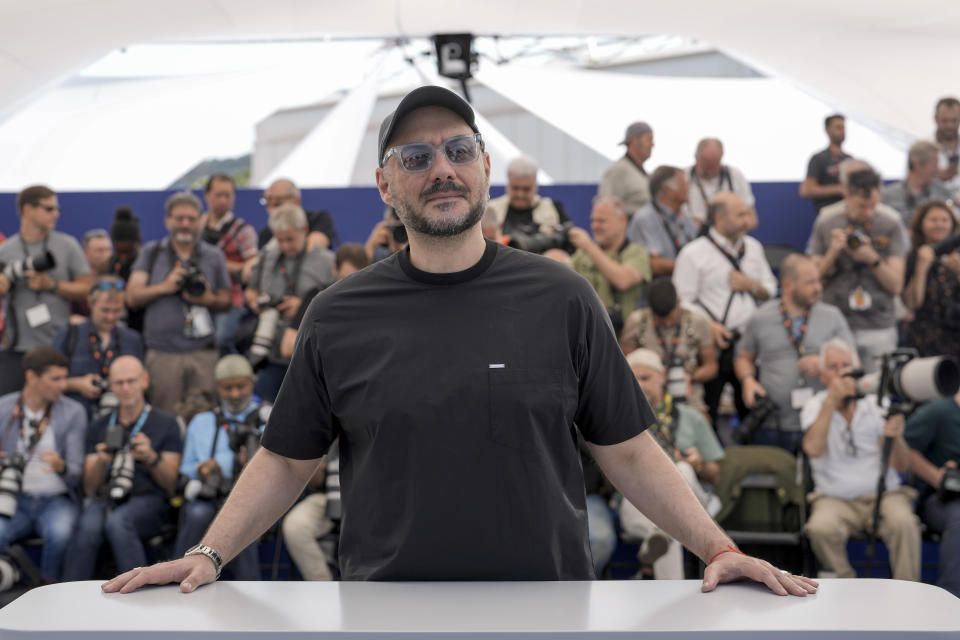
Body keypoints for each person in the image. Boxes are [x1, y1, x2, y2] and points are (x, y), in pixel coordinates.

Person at [103, 85, 816, 598]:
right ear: (385, 185)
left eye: (457, 149)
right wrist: (207, 553)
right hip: (385, 609)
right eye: (415, 158)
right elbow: (287, 462)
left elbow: (628, 448)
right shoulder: (336, 313)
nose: (440, 167)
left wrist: (718, 548)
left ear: (483, 169)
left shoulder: (563, 297)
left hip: (549, 605)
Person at [800, 338, 920, 581]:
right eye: (834, 367)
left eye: (847, 365)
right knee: (819, 528)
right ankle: (847, 586)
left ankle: (909, 593)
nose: (842, 372)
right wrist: (832, 401)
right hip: (835, 499)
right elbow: (812, 448)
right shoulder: (814, 405)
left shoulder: (876, 403)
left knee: (905, 523)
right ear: (823, 376)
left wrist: (895, 438)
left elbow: (901, 465)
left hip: (883, 495)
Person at [62, 356, 181, 580]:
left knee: (119, 523)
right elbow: (89, 488)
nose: (125, 388)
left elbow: (172, 485)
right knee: (87, 527)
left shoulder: (167, 423)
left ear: (145, 380)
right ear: (110, 385)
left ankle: (139, 591)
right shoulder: (99, 425)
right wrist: (101, 461)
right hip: (107, 496)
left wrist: (151, 457)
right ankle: (70, 595)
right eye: (119, 383)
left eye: (131, 381)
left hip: (149, 498)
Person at [673, 192, 777, 427]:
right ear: (720, 218)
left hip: (748, 344)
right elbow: (683, 301)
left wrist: (751, 285)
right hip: (711, 345)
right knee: (708, 408)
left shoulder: (753, 247)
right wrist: (710, 326)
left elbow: (771, 290)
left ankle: (752, 456)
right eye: (740, 214)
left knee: (751, 409)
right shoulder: (693, 253)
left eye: (747, 213)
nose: (746, 220)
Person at [618, 348, 724, 580]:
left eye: (645, 378)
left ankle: (653, 556)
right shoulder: (619, 418)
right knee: (668, 527)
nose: (639, 385)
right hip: (639, 496)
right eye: (632, 379)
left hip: (691, 495)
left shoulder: (691, 417)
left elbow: (716, 474)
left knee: (682, 470)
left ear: (663, 377)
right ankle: (659, 542)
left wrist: (698, 463)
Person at [125, 191, 232, 415]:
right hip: (162, 355)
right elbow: (132, 297)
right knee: (166, 419)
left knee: (205, 419)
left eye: (192, 219)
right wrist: (164, 287)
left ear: (200, 221)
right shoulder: (151, 252)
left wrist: (208, 299)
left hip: (203, 354)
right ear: (167, 221)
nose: (185, 224)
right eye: (179, 218)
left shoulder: (214, 256)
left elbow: (227, 300)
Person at [735, 254, 854, 453]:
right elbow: (743, 358)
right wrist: (748, 380)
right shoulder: (760, 318)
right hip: (773, 423)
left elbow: (853, 361)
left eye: (818, 281)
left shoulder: (832, 317)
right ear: (789, 285)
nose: (818, 287)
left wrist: (823, 363)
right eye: (810, 282)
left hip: (821, 421)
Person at [808, 167, 907, 373]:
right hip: (836, 320)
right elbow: (813, 280)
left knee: (878, 392)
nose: (869, 212)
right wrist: (833, 252)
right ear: (847, 195)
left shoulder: (891, 222)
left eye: (874, 205)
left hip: (878, 324)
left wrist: (872, 259)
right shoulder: (827, 221)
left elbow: (896, 285)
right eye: (862, 206)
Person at [173, 355, 263, 580]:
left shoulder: (266, 419)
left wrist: (234, 464)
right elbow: (185, 469)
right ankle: (177, 577)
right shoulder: (201, 421)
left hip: (251, 498)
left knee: (243, 523)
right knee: (196, 514)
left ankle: (249, 590)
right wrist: (201, 469)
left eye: (241, 386)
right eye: (227, 388)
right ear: (217, 388)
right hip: (208, 494)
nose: (235, 394)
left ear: (252, 382)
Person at [0, 347, 85, 585]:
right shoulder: (4, 408)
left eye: (64, 378)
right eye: (55, 379)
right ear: (31, 377)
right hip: (14, 498)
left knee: (61, 533)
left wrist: (62, 466)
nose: (62, 385)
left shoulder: (73, 412)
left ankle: (49, 587)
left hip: (56, 498)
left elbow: (77, 473)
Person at [0, 186, 93, 396]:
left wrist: (51, 285)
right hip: (17, 348)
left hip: (59, 347)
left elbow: (87, 288)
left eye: (56, 209)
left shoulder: (67, 245)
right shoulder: (5, 251)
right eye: (49, 208)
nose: (56, 214)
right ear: (28, 210)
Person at [243, 204, 335, 402]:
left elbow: (336, 306)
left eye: (290, 239)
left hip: (309, 357)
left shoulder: (326, 261)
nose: (285, 246)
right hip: (270, 355)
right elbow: (250, 291)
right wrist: (255, 302)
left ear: (304, 230)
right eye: (280, 239)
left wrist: (303, 307)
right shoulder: (268, 257)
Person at [620, 278, 716, 416]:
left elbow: (711, 367)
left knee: (699, 423)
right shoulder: (637, 322)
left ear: (678, 303)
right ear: (650, 309)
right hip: (648, 393)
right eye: (660, 319)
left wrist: (691, 376)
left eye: (670, 317)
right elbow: (626, 365)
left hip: (688, 394)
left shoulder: (697, 322)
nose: (667, 324)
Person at [52, 276, 144, 419]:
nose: (110, 317)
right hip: (75, 416)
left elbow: (142, 381)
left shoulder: (132, 339)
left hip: (119, 419)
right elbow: (48, 379)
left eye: (117, 311)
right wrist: (77, 384)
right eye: (105, 310)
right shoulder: (70, 334)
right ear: (90, 303)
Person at [904, 387, 960, 598]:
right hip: (942, 498)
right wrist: (937, 476)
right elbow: (904, 447)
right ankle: (953, 599)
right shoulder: (939, 411)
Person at [570, 197, 651, 337]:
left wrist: (588, 246)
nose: (595, 226)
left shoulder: (637, 252)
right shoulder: (581, 255)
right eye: (593, 220)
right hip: (585, 335)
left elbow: (623, 280)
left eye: (602, 221)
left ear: (622, 220)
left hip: (623, 339)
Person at [199, 174, 259, 356]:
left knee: (222, 340)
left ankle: (239, 374)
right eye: (218, 195)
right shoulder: (196, 227)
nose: (223, 200)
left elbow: (252, 267)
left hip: (232, 297)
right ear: (206, 195)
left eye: (228, 195)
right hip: (200, 296)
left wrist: (218, 264)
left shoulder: (243, 230)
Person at [279, 244, 370, 360]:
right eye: (345, 279)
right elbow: (287, 347)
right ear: (334, 269)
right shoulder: (316, 296)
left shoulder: (371, 304)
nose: (351, 287)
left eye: (358, 281)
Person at [901, 200, 960, 357]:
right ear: (922, 224)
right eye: (933, 220)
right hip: (925, 340)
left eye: (944, 220)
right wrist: (921, 267)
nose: (939, 225)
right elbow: (913, 303)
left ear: (952, 224)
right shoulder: (912, 258)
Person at [626, 166, 698, 276]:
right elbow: (654, 265)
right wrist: (692, 265)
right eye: (683, 185)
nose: (688, 188)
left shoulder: (685, 218)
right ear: (667, 189)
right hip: (661, 287)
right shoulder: (646, 219)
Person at [485, 155, 570, 238]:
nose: (520, 194)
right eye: (515, 188)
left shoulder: (553, 208)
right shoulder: (490, 209)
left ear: (535, 187)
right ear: (508, 185)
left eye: (526, 189)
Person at [881, 141, 955, 225]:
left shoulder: (941, 191)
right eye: (934, 164)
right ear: (917, 165)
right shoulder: (888, 196)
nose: (937, 170)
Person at [684, 138, 755, 226]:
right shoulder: (683, 177)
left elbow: (751, 217)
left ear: (721, 158)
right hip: (692, 233)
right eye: (706, 162)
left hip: (727, 233)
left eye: (714, 163)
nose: (709, 169)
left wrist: (736, 223)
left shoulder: (735, 176)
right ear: (696, 157)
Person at [257, 178, 339, 251]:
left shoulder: (319, 219)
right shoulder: (265, 234)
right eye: (268, 204)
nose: (271, 211)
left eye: (278, 204)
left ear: (296, 201)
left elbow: (315, 249)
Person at [599, 122, 654, 214]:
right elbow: (606, 208)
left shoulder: (642, 173)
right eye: (649, 139)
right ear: (634, 140)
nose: (652, 144)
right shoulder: (618, 171)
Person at [800, 114, 851, 214]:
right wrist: (838, 190)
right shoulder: (819, 158)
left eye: (844, 127)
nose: (842, 131)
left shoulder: (850, 160)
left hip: (849, 215)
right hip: (828, 214)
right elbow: (806, 190)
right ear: (827, 130)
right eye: (838, 127)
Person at [106, 206, 144, 333]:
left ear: (138, 242)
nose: (124, 257)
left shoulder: (148, 264)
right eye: (119, 252)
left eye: (128, 252)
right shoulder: (111, 264)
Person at [933, 97, 960, 197]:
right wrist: (935, 177)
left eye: (954, 120)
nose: (949, 125)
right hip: (934, 207)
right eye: (944, 120)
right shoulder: (923, 149)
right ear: (935, 119)